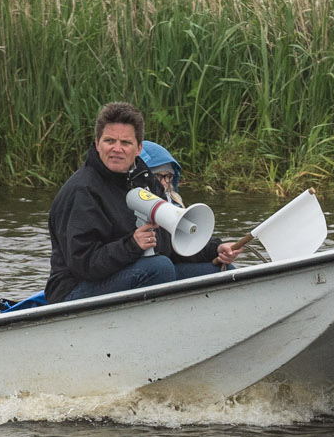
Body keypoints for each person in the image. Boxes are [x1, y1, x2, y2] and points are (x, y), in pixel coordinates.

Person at [46, 103, 243, 302]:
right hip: (73, 291)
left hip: (129, 271)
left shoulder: (144, 179)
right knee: (159, 268)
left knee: (220, 272)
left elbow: (166, 242)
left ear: (139, 148)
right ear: (97, 144)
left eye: (125, 142)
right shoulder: (81, 191)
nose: (117, 149)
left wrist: (214, 249)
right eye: (109, 141)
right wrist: (132, 245)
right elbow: (83, 263)